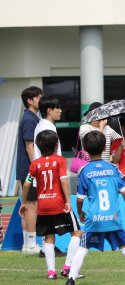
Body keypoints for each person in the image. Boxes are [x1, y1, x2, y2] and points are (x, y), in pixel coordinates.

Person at [64, 130, 125, 285]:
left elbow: (80, 199)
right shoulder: (112, 168)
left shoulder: (84, 170)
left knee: (82, 249)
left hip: (94, 218)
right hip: (114, 218)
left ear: (86, 150)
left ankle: (70, 282)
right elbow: (124, 191)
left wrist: (80, 212)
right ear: (104, 148)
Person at [19, 130, 82, 280]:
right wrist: (67, 201)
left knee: (49, 238)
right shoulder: (60, 160)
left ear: (39, 146)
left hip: (43, 205)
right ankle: (67, 266)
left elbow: (27, 185)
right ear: (56, 144)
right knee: (77, 233)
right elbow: (63, 180)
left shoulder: (35, 164)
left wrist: (23, 203)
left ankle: (51, 272)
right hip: (58, 203)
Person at [33, 95, 67, 259]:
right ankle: (46, 247)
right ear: (49, 110)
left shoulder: (44, 125)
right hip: (49, 175)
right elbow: (47, 155)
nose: (60, 111)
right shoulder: (46, 127)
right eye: (58, 108)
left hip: (46, 175)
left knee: (47, 213)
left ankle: (47, 247)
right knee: (50, 213)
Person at [16, 86, 42, 254]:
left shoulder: (31, 118)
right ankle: (31, 244)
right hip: (29, 169)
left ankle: (27, 244)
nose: (41, 100)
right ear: (30, 100)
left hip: (26, 169)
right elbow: (30, 146)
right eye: (39, 97)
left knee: (26, 206)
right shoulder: (30, 119)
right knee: (32, 205)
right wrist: (37, 167)